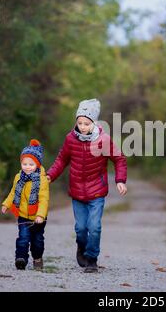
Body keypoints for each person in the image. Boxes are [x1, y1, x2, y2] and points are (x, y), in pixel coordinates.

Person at [46, 98, 127, 273]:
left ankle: (92, 259)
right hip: (77, 192)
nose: (82, 126)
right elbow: (61, 160)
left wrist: (120, 180)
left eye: (86, 123)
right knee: (81, 228)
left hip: (96, 192)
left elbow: (119, 159)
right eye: (80, 122)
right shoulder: (70, 139)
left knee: (95, 227)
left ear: (94, 122)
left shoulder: (104, 140)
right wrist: (49, 176)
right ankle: (81, 247)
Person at [1, 139, 49, 270]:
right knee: (23, 238)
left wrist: (40, 215)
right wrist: (7, 204)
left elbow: (44, 199)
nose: (27, 167)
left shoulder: (42, 180)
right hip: (23, 216)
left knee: (37, 242)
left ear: (37, 165)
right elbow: (13, 193)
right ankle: (21, 259)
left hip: (38, 218)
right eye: (24, 163)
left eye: (31, 164)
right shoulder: (18, 177)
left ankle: (37, 258)